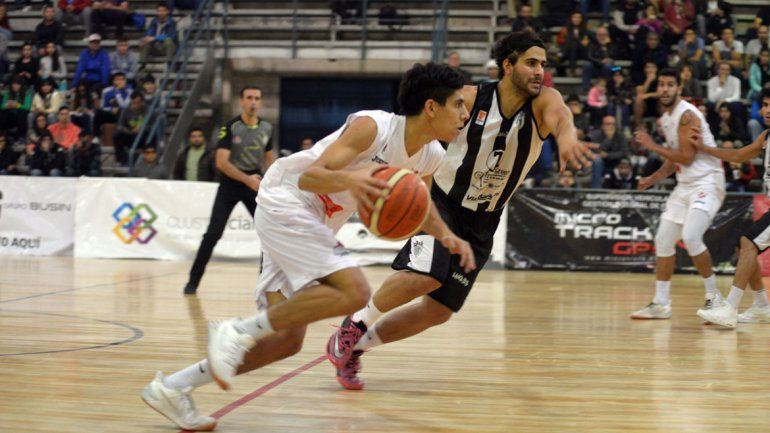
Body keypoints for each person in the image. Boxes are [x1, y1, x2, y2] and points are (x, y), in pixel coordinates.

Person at [142, 62, 484, 430]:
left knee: (286, 341)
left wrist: (445, 235)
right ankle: (237, 330)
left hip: (315, 221)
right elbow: (310, 177)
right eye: (458, 105)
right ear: (431, 107)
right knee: (354, 291)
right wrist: (354, 179)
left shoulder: (431, 154)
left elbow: (422, 203)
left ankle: (173, 388)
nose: (465, 115)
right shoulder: (374, 127)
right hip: (288, 198)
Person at [325, 30, 594, 390]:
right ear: (508, 65)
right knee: (426, 275)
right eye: (531, 63)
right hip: (441, 203)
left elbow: (561, 118)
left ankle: (356, 348)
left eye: (542, 64)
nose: (539, 71)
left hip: (485, 219)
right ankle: (355, 323)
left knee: (438, 311)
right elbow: (422, 122)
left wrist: (568, 137)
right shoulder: (468, 98)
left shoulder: (544, 100)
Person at [629, 67, 726, 320]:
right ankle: (661, 304)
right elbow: (674, 160)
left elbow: (686, 156)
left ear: (679, 88)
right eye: (661, 84)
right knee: (663, 240)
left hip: (707, 182)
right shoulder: (666, 119)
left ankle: (715, 298)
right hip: (685, 186)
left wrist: (652, 145)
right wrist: (653, 178)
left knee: (691, 236)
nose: (664, 89)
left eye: (670, 84)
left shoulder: (687, 115)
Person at [181, 86, 275, 295]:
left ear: (260, 102)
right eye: (249, 98)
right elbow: (221, 163)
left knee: (269, 235)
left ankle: (265, 283)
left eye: (257, 98)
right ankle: (192, 282)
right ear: (241, 101)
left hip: (254, 184)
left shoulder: (267, 128)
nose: (253, 102)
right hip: (230, 184)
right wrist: (247, 180)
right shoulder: (230, 127)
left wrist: (268, 182)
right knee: (213, 234)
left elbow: (269, 160)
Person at [689, 87, 770, 328]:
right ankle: (761, 306)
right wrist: (705, 148)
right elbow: (738, 155)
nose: (767, 110)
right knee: (745, 244)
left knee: (747, 243)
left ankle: (730, 309)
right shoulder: (766, 136)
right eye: (765, 105)